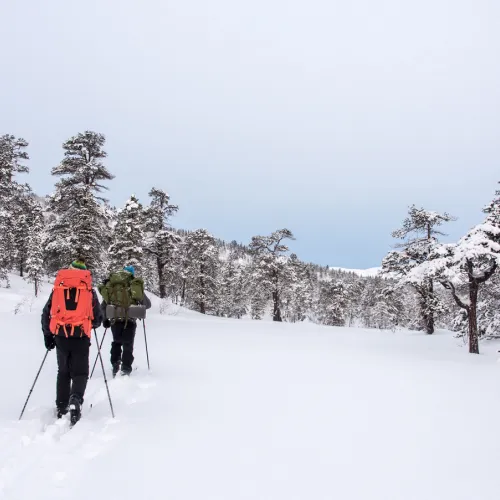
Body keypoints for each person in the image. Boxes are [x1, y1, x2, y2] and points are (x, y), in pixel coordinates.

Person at [41, 258, 102, 423]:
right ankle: (75, 400)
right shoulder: (89, 290)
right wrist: (91, 324)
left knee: (63, 372)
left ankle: (61, 406)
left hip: (60, 335)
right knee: (80, 372)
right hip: (81, 337)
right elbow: (98, 317)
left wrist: (48, 335)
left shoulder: (59, 287)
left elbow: (47, 312)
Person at [101, 265, 151, 376]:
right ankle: (126, 368)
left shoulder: (113, 286)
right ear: (131, 274)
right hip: (130, 319)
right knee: (128, 344)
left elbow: (104, 305)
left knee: (116, 341)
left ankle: (115, 364)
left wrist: (105, 319)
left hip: (115, 319)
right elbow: (147, 304)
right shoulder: (134, 286)